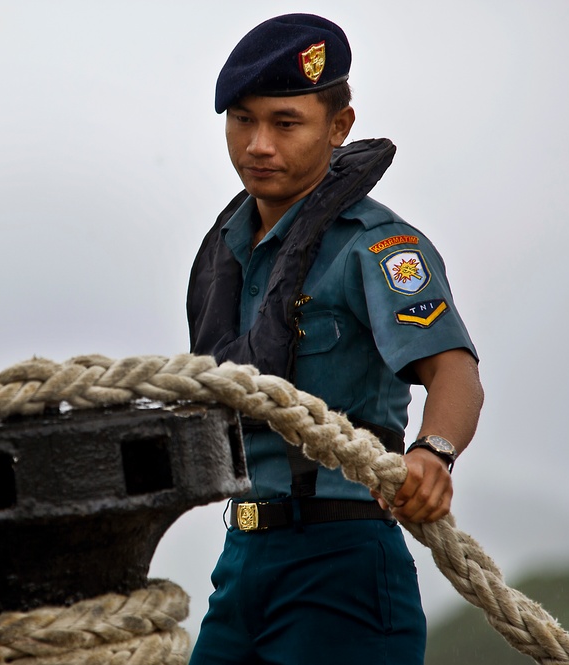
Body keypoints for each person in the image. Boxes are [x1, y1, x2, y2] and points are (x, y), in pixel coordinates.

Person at [186, 13, 484, 665]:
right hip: (240, 562)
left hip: (342, 565)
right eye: (242, 120)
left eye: (285, 123)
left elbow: (452, 368)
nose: (258, 144)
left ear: (338, 127)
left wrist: (433, 452)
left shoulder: (376, 246)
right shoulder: (228, 254)